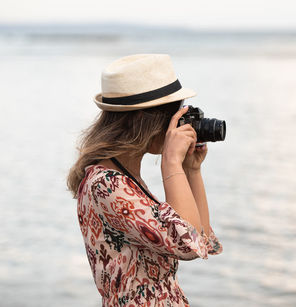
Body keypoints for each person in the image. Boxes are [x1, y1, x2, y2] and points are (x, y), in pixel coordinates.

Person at [66, 54, 223, 306]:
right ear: (143, 120)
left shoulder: (126, 178)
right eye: (174, 116)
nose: (178, 126)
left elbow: (202, 240)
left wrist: (192, 171)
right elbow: (187, 245)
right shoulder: (106, 185)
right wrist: (171, 162)